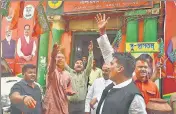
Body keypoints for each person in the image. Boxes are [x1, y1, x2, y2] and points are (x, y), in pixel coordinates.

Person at [95, 13, 147, 114]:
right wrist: (102, 32)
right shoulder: (114, 85)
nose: (107, 66)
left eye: (111, 64)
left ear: (120, 69)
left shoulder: (134, 98)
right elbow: (107, 53)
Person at [43, 44, 75, 114]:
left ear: (65, 61)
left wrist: (69, 91)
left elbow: (69, 87)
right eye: (58, 57)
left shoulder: (67, 74)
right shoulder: (52, 71)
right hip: (51, 105)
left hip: (63, 104)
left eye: (62, 57)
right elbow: (52, 66)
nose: (60, 58)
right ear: (55, 59)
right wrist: (53, 55)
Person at [65, 41, 93, 114]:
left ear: (83, 66)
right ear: (74, 65)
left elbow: (89, 65)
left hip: (81, 105)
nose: (79, 64)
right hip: (70, 104)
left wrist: (90, 52)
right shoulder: (69, 72)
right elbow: (63, 63)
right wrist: (59, 52)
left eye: (81, 63)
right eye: (77, 63)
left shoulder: (85, 74)